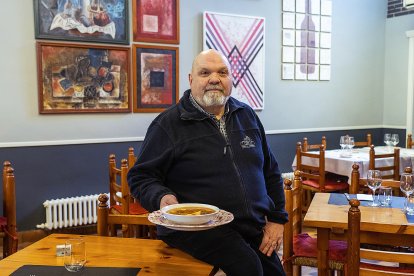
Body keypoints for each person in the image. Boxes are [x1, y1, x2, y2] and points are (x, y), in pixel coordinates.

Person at [127, 49, 287, 276]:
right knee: (249, 267)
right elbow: (140, 177)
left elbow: (270, 171)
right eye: (205, 73)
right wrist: (162, 197)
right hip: (196, 228)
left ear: (231, 79)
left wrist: (278, 220)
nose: (214, 79)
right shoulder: (168, 124)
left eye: (222, 72)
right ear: (191, 80)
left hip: (251, 225)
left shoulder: (247, 115)